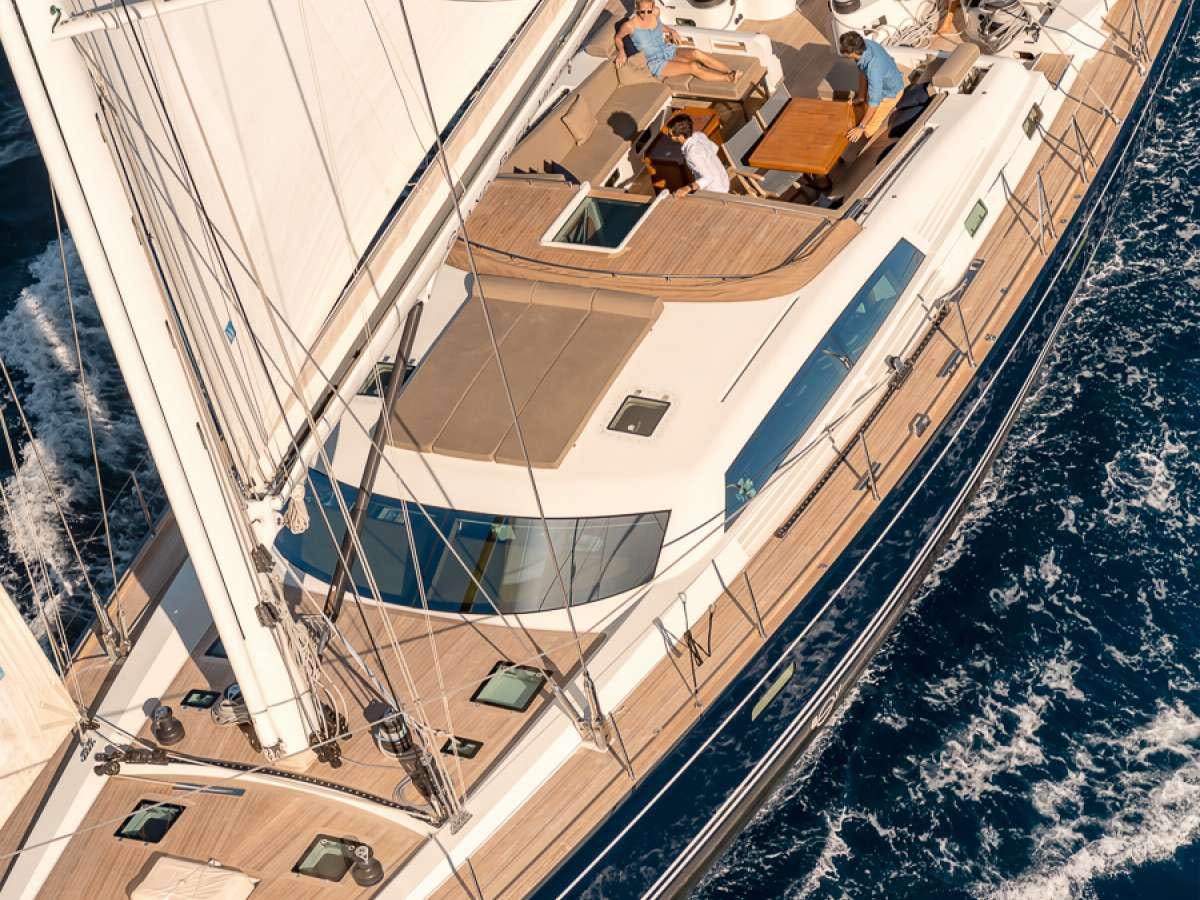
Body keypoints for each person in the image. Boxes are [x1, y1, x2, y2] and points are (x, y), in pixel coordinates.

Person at [615, 1, 737, 83]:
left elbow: (659, 26)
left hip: (666, 49)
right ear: (637, 9)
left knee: (696, 53)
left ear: (653, 7)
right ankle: (728, 78)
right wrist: (621, 52)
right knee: (693, 66)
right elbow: (618, 38)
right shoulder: (629, 26)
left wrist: (672, 30)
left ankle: (729, 70)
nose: (646, 15)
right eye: (642, 11)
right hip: (655, 62)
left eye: (649, 11)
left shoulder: (656, 12)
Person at [838, 31, 906, 142]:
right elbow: (863, 71)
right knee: (864, 105)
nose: (842, 52)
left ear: (853, 53)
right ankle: (862, 100)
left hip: (890, 93)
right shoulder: (865, 44)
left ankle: (865, 141)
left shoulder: (873, 69)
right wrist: (861, 97)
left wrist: (860, 128)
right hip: (884, 78)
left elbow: (874, 103)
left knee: (868, 129)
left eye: (844, 51)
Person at [666, 113, 730, 197]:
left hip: (716, 190)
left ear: (681, 137)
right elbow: (715, 148)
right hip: (724, 180)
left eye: (670, 135)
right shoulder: (699, 135)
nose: (668, 136)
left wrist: (687, 188)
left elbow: (708, 178)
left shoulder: (692, 154)